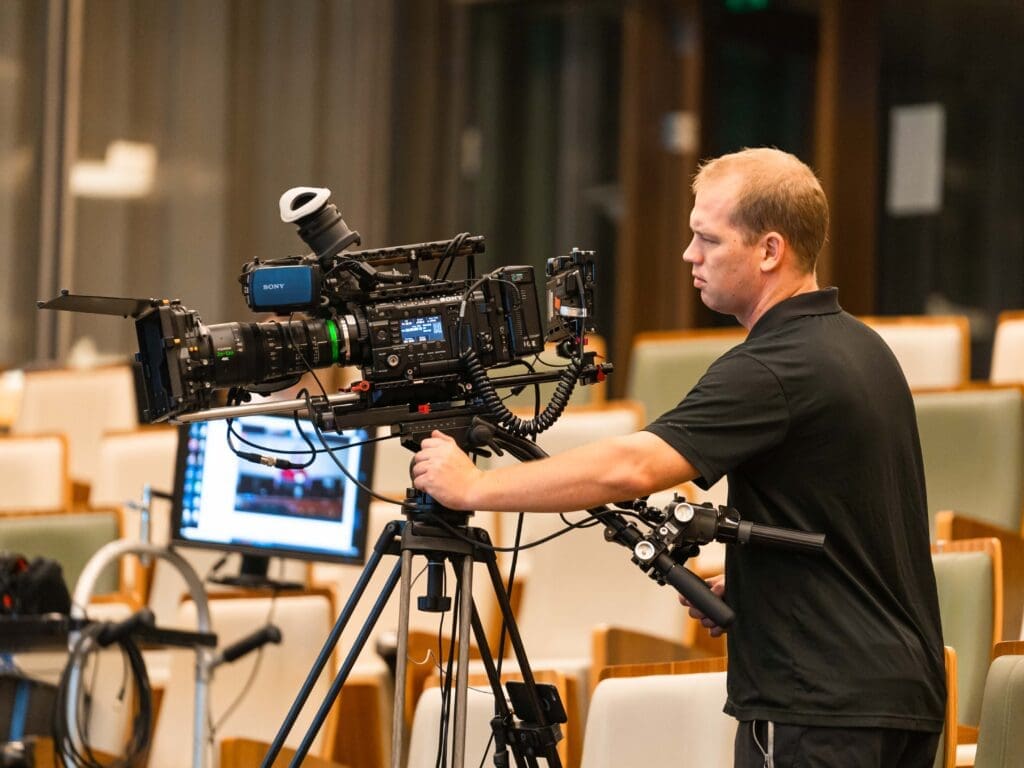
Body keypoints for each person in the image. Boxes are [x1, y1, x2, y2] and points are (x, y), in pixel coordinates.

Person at [412, 147, 946, 767]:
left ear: (770, 250)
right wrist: (755, 584)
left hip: (817, 708)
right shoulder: (864, 349)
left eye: (707, 239)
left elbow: (632, 468)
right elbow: (846, 535)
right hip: (897, 695)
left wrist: (471, 488)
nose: (690, 255)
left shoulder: (772, 367)